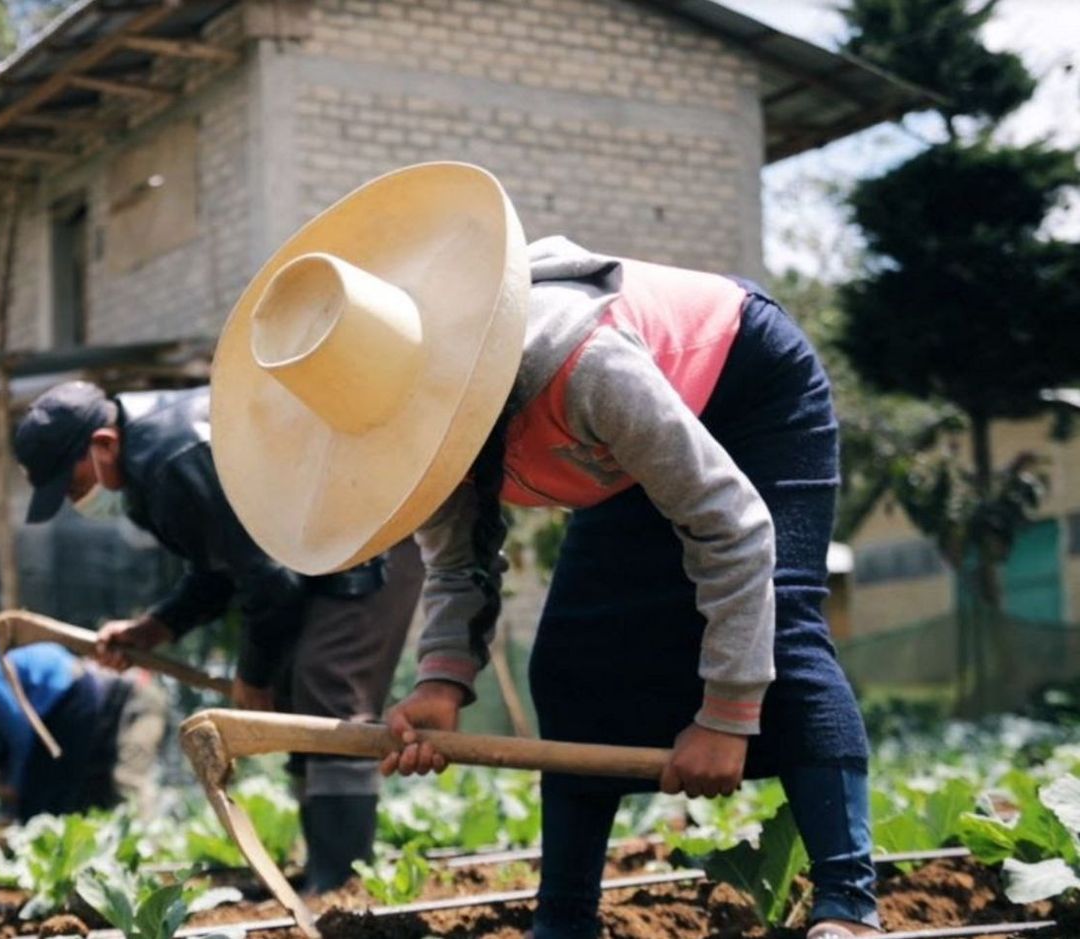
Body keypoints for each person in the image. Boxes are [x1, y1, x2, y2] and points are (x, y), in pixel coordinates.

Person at [206, 162, 878, 939]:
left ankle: (849, 904)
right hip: (615, 455)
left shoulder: (585, 367)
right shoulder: (414, 421)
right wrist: (440, 684)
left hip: (744, 389)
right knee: (568, 660)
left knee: (783, 628)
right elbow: (459, 561)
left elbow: (733, 526)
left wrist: (726, 714)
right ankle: (564, 918)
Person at [13, 381, 423, 892]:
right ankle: (325, 871)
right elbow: (221, 567)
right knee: (302, 701)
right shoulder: (148, 462)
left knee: (327, 691)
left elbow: (268, 581)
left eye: (72, 486)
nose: (76, 501)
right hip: (321, 556)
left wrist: (252, 678)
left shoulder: (171, 460)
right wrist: (157, 625)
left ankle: (343, 884)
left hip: (368, 543)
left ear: (103, 443)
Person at [0, 626, 166, 824]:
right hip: (48, 710)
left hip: (66, 697)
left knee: (50, 797)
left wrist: (15, 784)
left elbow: (21, 733)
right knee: (38, 797)